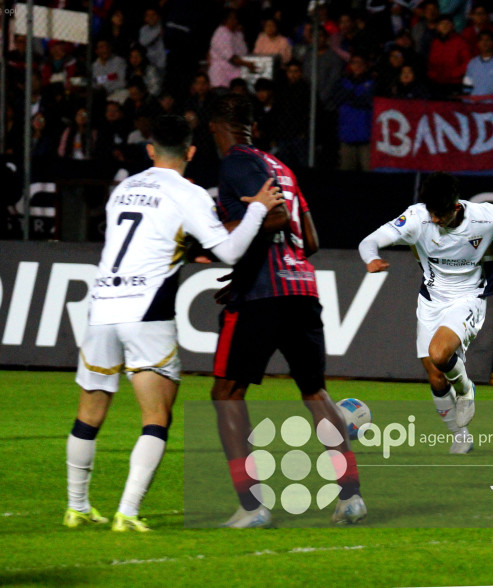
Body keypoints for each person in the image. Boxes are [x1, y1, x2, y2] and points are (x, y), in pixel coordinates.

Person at [64, 115, 284, 532]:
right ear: (191, 152)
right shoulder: (189, 193)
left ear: (150, 150)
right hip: (146, 310)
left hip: (101, 306)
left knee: (89, 412)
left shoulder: (123, 189)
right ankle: (126, 512)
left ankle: (76, 506)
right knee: (156, 416)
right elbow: (231, 251)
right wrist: (257, 209)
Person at [208, 94, 366, 528]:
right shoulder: (282, 167)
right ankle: (350, 497)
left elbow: (273, 218)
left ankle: (252, 504)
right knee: (315, 393)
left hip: (264, 294)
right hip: (302, 287)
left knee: (226, 394)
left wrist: (235, 258)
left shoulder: (235, 164)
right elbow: (309, 239)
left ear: (213, 126)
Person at [358, 172, 493, 453]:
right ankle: (459, 435)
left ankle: (465, 390)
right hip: (431, 300)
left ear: (456, 207)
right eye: (432, 213)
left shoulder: (485, 218)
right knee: (435, 376)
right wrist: (372, 258)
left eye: (440, 214)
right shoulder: (416, 217)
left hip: (468, 298)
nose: (435, 220)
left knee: (440, 354)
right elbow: (369, 241)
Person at [462, 30, 493, 96]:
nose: (484, 43)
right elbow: (467, 88)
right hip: (475, 103)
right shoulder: (472, 63)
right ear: (478, 44)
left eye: (488, 40)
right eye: (482, 40)